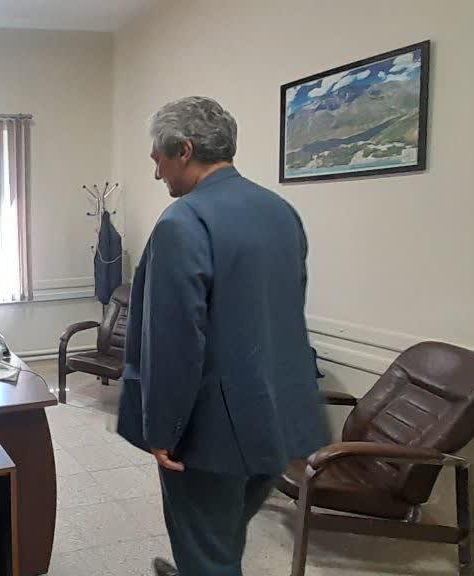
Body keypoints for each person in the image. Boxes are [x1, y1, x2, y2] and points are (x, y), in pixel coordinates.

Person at [117, 96, 327, 576]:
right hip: (278, 418)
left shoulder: (183, 222)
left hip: (211, 431)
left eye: (158, 159)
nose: (157, 173)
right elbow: (284, 313)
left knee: (208, 550)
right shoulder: (281, 212)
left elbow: (174, 343)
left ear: (184, 151)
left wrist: (162, 430)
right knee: (224, 532)